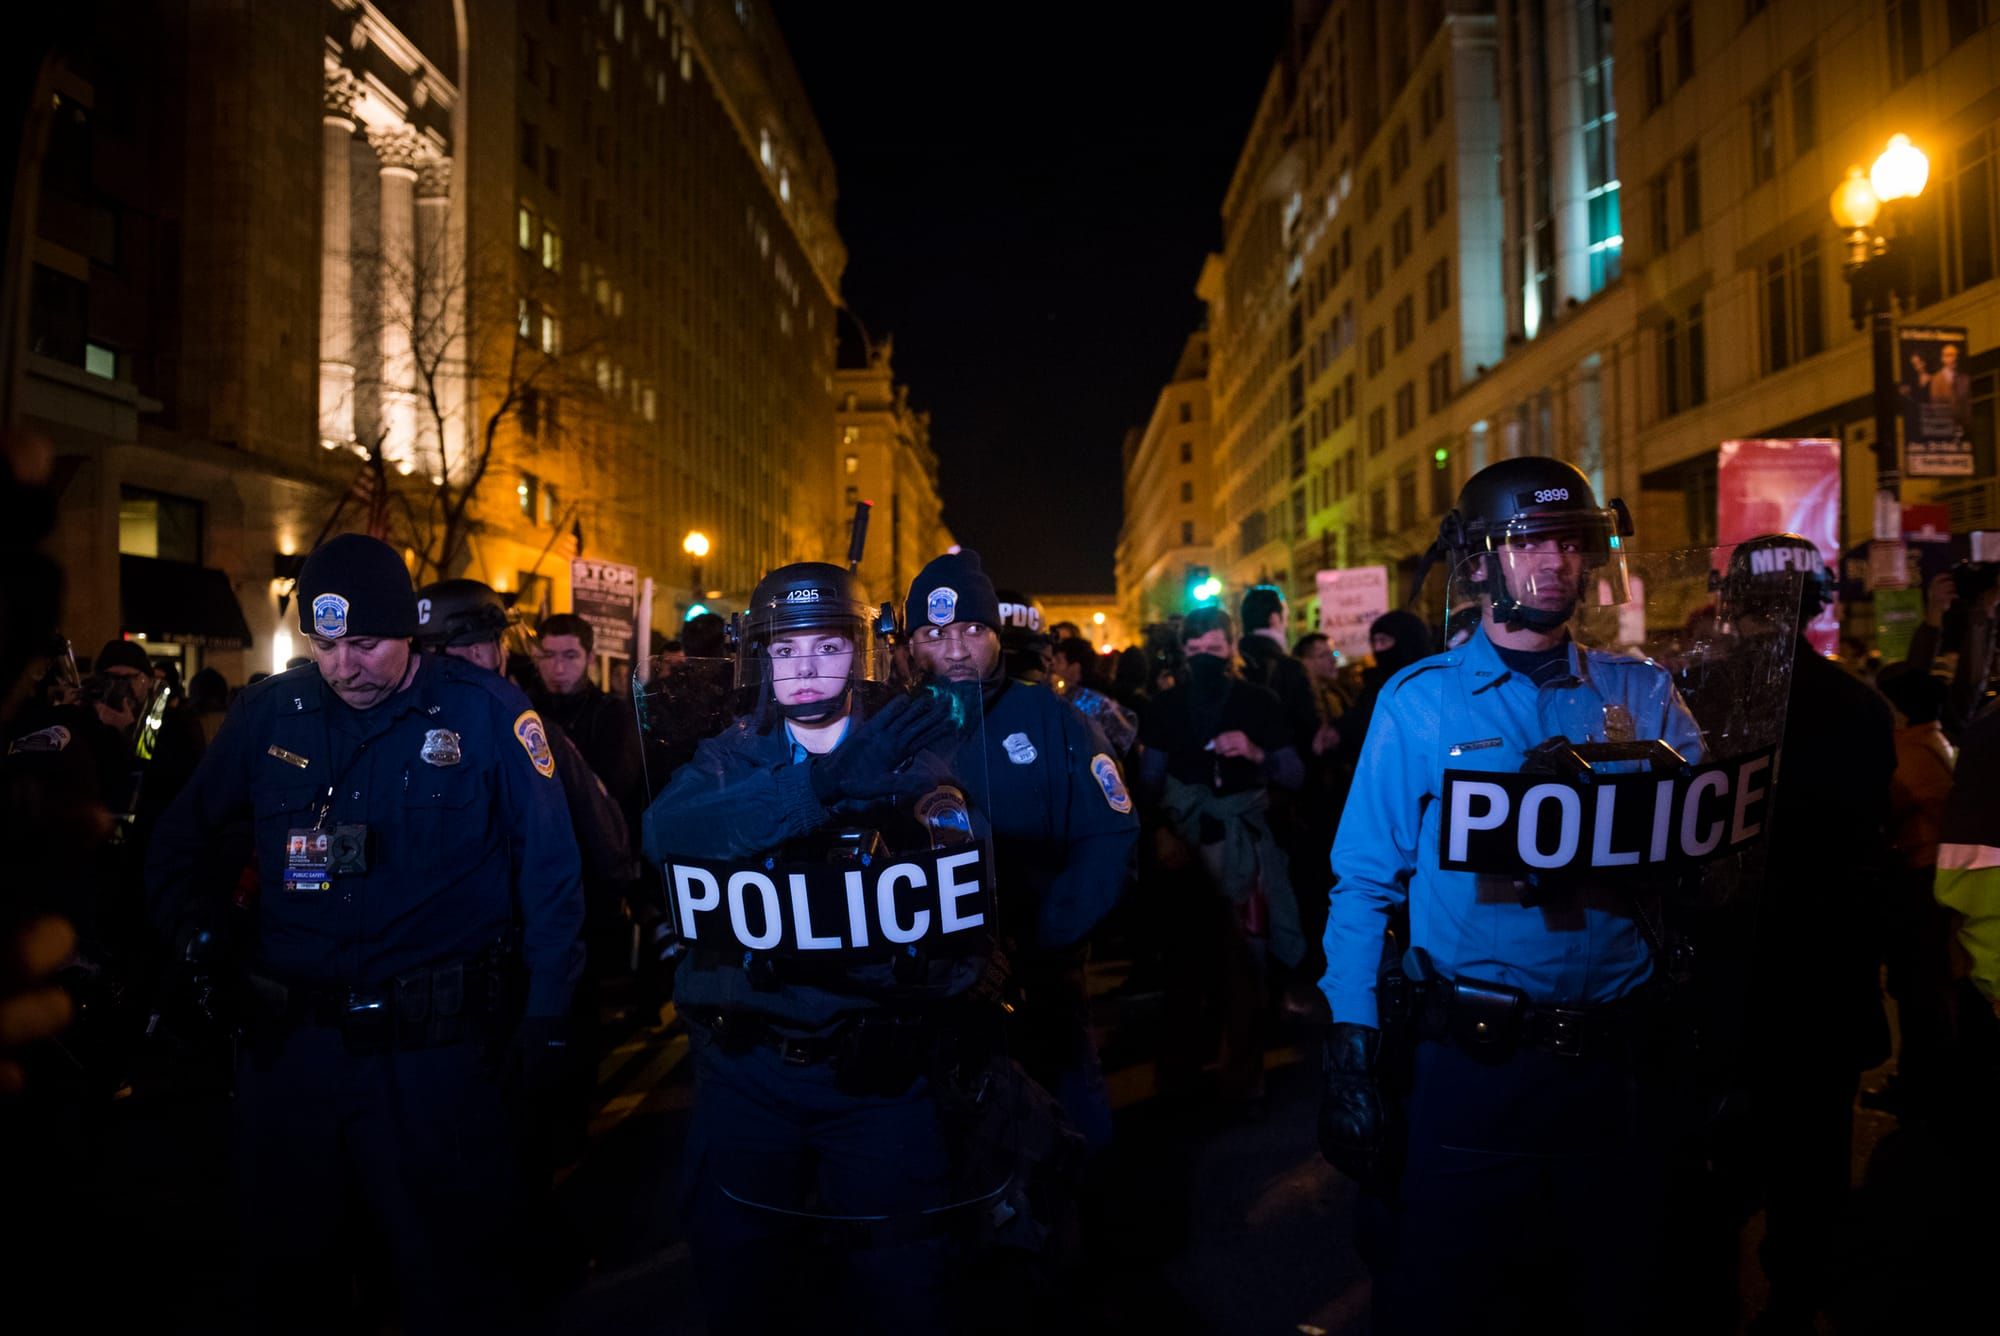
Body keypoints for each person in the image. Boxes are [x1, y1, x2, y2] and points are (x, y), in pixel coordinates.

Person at [146, 533, 584, 1333]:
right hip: (294, 1058)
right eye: (326, 644)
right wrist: (194, 936)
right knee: (286, 1278)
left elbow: (552, 880)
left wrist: (548, 1021)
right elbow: (179, 843)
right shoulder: (272, 713)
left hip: (434, 1065)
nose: (345, 665)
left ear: (408, 632)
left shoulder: (488, 716)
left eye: (365, 644)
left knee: (446, 1283)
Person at [1317, 457, 1703, 1333]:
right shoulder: (1418, 705)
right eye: (1532, 541)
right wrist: (1350, 1041)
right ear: (1482, 561)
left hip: (1618, 1065)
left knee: (1615, 1296)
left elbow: (1707, 859)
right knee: (1449, 1301)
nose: (1559, 562)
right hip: (1475, 1070)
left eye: (1573, 541)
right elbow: (1365, 884)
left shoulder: (1642, 695)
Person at [642, 560, 1033, 1333]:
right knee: (741, 1281)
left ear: (858, 654)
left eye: (824, 647)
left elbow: (964, 913)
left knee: (903, 1283)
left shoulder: (916, 763)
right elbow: (667, 834)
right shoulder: (726, 760)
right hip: (747, 1074)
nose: (805, 667)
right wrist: (814, 790)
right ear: (760, 661)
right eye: (786, 651)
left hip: (879, 1084)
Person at [1722, 533, 1896, 1334]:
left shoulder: (1697, 697)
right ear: (1817, 604)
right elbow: (1870, 845)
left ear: (1733, 604)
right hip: (1823, 975)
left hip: (1730, 980)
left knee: (1715, 1162)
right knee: (1812, 1164)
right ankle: (1795, 1299)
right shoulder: (1858, 705)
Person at [905, 553, 1137, 1150]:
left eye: (972, 631)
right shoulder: (887, 729)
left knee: (1069, 1108)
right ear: (909, 644)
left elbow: (1109, 835)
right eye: (935, 634)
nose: (955, 651)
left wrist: (1047, 939)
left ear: (996, 635)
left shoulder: (1052, 719)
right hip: (932, 988)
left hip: (1043, 973)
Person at [1139, 605, 1305, 1103]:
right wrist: (1163, 833)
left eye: (1215, 649)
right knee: (1187, 967)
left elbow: (1294, 774)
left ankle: (1243, 1074)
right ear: (1183, 653)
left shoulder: (1260, 701)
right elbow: (1147, 783)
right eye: (1196, 651)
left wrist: (1257, 753)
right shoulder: (1165, 707)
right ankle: (1184, 1079)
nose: (1206, 659)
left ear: (1231, 647)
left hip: (1244, 848)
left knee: (1247, 964)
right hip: (1188, 849)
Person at [532, 611, 647, 835]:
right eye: (548, 655)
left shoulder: (613, 715)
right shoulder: (524, 708)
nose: (558, 668)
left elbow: (616, 791)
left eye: (570, 655)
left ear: (590, 657)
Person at [1050, 635, 1138, 760]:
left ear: (1075, 667)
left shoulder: (1086, 701)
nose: (1052, 666)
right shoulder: (1092, 694)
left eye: (1059, 660)